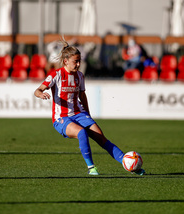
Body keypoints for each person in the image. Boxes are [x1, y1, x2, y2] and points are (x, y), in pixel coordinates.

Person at [34, 40, 145, 176]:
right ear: (66, 61)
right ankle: (91, 168)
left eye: (79, 61)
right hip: (61, 117)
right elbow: (37, 90)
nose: (79, 64)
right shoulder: (56, 75)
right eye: (76, 61)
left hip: (79, 114)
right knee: (82, 133)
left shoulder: (80, 76)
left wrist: (87, 114)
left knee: (102, 138)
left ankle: (128, 164)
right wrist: (41, 94)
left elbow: (82, 96)